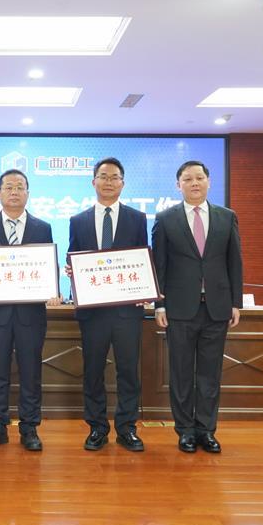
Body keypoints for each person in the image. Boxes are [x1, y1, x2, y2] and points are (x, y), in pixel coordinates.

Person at [152, 160, 243, 454]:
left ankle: (206, 430)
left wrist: (236, 302)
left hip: (217, 307)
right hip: (179, 309)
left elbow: (235, 262)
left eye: (199, 178)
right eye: (188, 179)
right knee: (180, 373)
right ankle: (185, 431)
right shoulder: (165, 219)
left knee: (210, 373)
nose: (194, 183)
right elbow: (159, 265)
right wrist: (159, 305)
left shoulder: (226, 217)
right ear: (178, 185)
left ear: (208, 181)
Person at [0, 169, 60, 451]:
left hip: (31, 315)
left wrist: (53, 290)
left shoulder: (42, 227)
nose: (14, 192)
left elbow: (48, 265)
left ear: (28, 193)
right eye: (8, 187)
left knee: (31, 372)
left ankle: (29, 428)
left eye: (20, 187)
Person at [67, 157, 149, 452]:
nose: (109, 182)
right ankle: (97, 428)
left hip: (127, 312)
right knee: (93, 372)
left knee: (128, 371)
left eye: (114, 177)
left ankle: (127, 429)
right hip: (93, 313)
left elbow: (143, 257)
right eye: (103, 176)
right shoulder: (78, 220)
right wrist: (72, 269)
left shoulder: (137, 218)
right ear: (93, 182)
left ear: (122, 183)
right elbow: (73, 255)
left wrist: (145, 284)